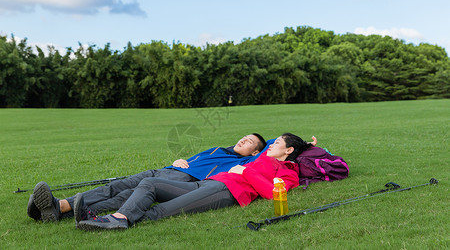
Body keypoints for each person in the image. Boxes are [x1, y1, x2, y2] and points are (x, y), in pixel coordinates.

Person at [76, 133, 313, 231]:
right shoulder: (262, 157)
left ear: (289, 150)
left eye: (278, 144)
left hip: (225, 191)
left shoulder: (289, 171)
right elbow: (267, 139)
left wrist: (245, 172)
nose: (272, 144)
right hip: (207, 183)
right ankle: (115, 217)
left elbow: (272, 193)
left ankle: (117, 220)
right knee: (150, 184)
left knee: (161, 211)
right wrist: (305, 145)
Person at [28, 133, 267, 222]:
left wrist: (304, 144)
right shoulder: (217, 150)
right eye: (244, 137)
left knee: (126, 195)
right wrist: (176, 161)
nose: (243, 140)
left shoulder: (246, 161)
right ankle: (58, 208)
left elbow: (274, 147)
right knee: (117, 186)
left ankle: (59, 207)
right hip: (167, 170)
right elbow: (194, 159)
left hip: (183, 181)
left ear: (255, 151)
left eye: (250, 142)